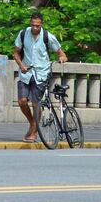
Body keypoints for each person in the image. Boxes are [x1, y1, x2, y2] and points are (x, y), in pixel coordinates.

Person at [13, 12, 67, 143]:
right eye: (33, 25)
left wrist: (62, 58)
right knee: (22, 101)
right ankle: (33, 123)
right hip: (26, 74)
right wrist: (21, 65)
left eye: (37, 26)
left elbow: (61, 53)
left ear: (41, 25)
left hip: (42, 74)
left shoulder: (48, 36)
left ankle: (35, 132)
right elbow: (15, 53)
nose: (35, 28)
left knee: (36, 103)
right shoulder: (23, 34)